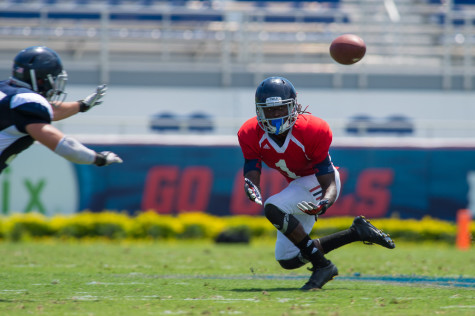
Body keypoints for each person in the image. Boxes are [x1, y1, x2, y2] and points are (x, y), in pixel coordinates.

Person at [237, 76, 395, 291]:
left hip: (320, 184)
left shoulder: (312, 129)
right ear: (258, 110)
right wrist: (251, 184)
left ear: (293, 106)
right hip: (298, 186)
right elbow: (252, 166)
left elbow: (328, 180)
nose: (274, 115)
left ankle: (324, 267)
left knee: (273, 207)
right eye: (269, 110)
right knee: (288, 259)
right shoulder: (249, 132)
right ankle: (356, 233)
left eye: (280, 109)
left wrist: (325, 201)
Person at [0, 46, 123, 174]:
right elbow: (64, 145)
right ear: (41, 79)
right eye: (53, 79)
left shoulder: (5, 89)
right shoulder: (26, 103)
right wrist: (98, 158)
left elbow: (46, 110)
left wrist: (82, 105)